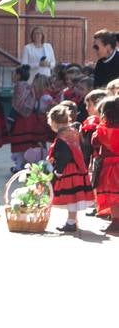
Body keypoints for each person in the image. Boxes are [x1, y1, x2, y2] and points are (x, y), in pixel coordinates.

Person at [47, 104, 93, 234]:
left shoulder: (62, 137)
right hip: (78, 168)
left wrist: (58, 171)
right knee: (75, 196)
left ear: (55, 122)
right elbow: (84, 149)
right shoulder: (74, 132)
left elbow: (63, 156)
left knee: (71, 197)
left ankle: (71, 222)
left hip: (69, 170)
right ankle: (73, 221)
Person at [92, 95, 119, 234]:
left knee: (113, 197)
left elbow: (94, 142)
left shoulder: (102, 129)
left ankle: (116, 222)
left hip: (110, 167)